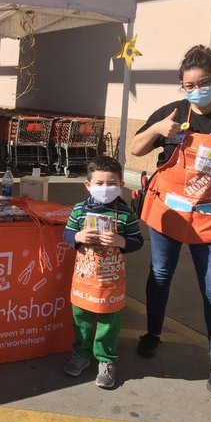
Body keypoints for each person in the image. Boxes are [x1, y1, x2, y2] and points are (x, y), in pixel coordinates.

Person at [131, 44, 211, 398]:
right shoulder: (172, 112)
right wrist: (158, 127)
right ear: (182, 86)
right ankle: (153, 333)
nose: (196, 90)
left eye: (203, 82)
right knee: (160, 276)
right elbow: (136, 148)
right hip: (167, 214)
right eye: (188, 85)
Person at [63, 154, 144, 389]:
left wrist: (120, 240)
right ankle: (81, 354)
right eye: (99, 183)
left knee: (110, 321)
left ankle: (106, 360)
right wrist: (78, 236)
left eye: (111, 183)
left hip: (112, 281)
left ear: (121, 185)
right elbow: (67, 234)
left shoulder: (126, 214)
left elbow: (137, 241)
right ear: (88, 185)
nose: (105, 188)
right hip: (85, 278)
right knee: (82, 319)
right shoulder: (79, 210)